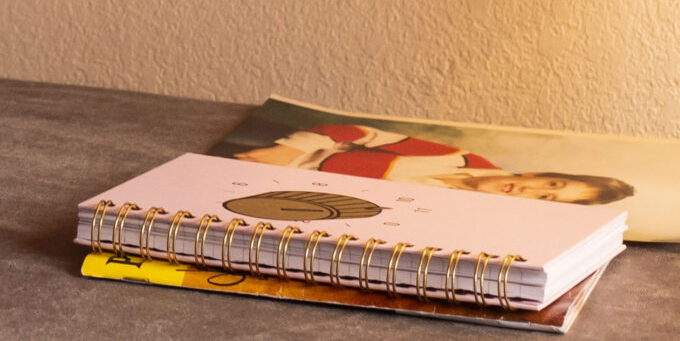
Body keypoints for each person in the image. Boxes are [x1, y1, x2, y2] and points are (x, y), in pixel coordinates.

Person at [233, 122, 635, 205]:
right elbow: (356, 131)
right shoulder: (462, 158)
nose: (534, 192)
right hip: (259, 168)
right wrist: (289, 150)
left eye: (549, 200)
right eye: (551, 184)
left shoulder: (471, 215)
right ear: (536, 172)